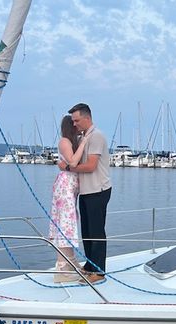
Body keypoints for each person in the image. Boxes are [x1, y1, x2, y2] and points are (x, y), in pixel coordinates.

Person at [58, 103, 111, 285]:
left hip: (98, 190)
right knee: (87, 231)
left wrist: (67, 167)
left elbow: (90, 166)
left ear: (87, 118)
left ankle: (99, 271)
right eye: (73, 121)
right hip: (87, 191)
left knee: (96, 231)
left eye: (77, 120)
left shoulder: (96, 136)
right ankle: (90, 265)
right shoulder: (83, 137)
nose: (74, 124)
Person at [49, 115, 90, 283]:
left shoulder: (72, 142)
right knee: (65, 223)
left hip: (71, 187)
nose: (76, 126)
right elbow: (73, 162)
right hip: (65, 185)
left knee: (69, 222)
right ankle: (62, 268)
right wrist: (83, 143)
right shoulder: (65, 141)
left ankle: (71, 262)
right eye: (74, 124)